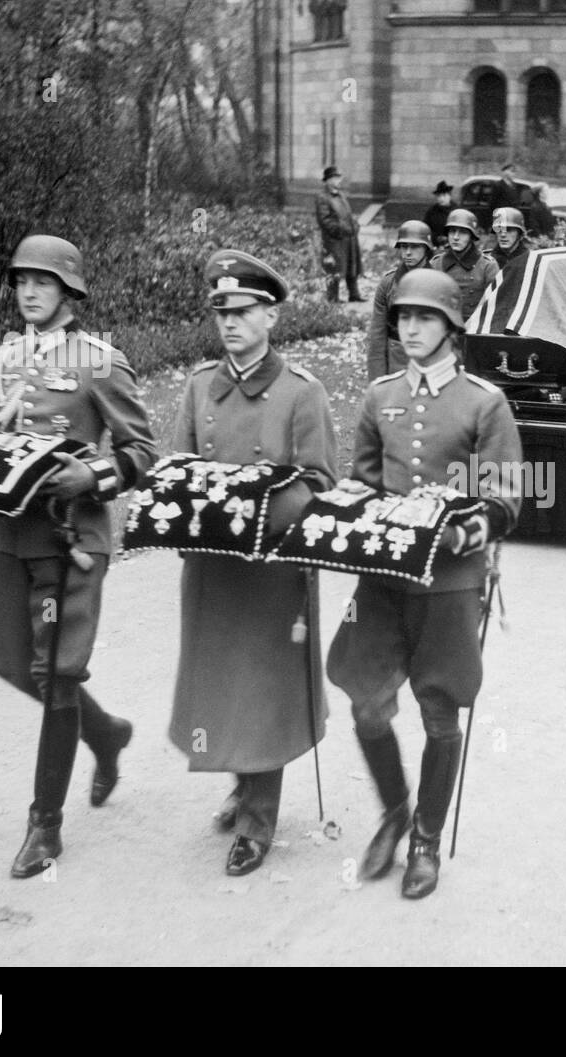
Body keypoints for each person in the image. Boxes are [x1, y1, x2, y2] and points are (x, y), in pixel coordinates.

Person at [326, 270, 523, 900]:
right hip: (383, 577)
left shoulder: (483, 402)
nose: (409, 329)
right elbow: (360, 479)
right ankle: (393, 810)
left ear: (450, 327)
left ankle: (426, 840)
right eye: (402, 319)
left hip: (448, 581)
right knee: (365, 703)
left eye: (423, 319)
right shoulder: (379, 395)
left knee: (439, 710)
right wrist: (346, 504)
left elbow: (506, 495)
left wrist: (468, 529)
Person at [0, 235, 158, 878]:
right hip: (12, 535)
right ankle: (105, 732)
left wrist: (94, 479)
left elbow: (142, 451)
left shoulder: (99, 360)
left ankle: (44, 827)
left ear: (69, 292)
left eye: (42, 282)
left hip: (69, 541)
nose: (29, 291)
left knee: (56, 672)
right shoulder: (6, 355)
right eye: (21, 281)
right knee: (3, 654)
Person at [169, 249, 339, 877]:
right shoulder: (197, 388)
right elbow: (176, 471)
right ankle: (241, 786)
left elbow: (321, 482)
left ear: (271, 317)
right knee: (221, 681)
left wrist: (257, 505)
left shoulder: (301, 393)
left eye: (244, 312)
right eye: (222, 313)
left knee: (263, 687)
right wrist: (189, 520)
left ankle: (258, 820)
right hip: (215, 569)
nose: (232, 324)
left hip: (271, 570)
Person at [367, 220, 434, 381]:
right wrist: (377, 380)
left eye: (414, 246)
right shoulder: (388, 284)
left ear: (426, 248)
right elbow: (377, 335)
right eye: (404, 247)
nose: (408, 252)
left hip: (431, 362)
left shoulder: (440, 282)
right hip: (397, 362)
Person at [431, 208, 499, 324]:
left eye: (462, 232)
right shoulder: (435, 264)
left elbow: (494, 306)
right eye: (452, 231)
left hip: (476, 330)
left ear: (471, 236)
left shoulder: (487, 266)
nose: (456, 237)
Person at [315, 165, 364, 303]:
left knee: (352, 264)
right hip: (334, 239)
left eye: (339, 177)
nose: (339, 180)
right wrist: (341, 230)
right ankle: (332, 297)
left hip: (349, 237)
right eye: (336, 178)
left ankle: (354, 294)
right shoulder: (322, 197)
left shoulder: (341, 195)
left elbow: (348, 214)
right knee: (334, 267)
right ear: (328, 180)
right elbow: (324, 220)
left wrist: (355, 226)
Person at [424, 181, 454, 249]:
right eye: (438, 196)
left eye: (444, 195)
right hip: (436, 247)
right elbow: (426, 229)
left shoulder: (457, 211)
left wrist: (449, 239)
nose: (441, 198)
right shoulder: (432, 211)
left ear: (449, 196)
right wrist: (436, 238)